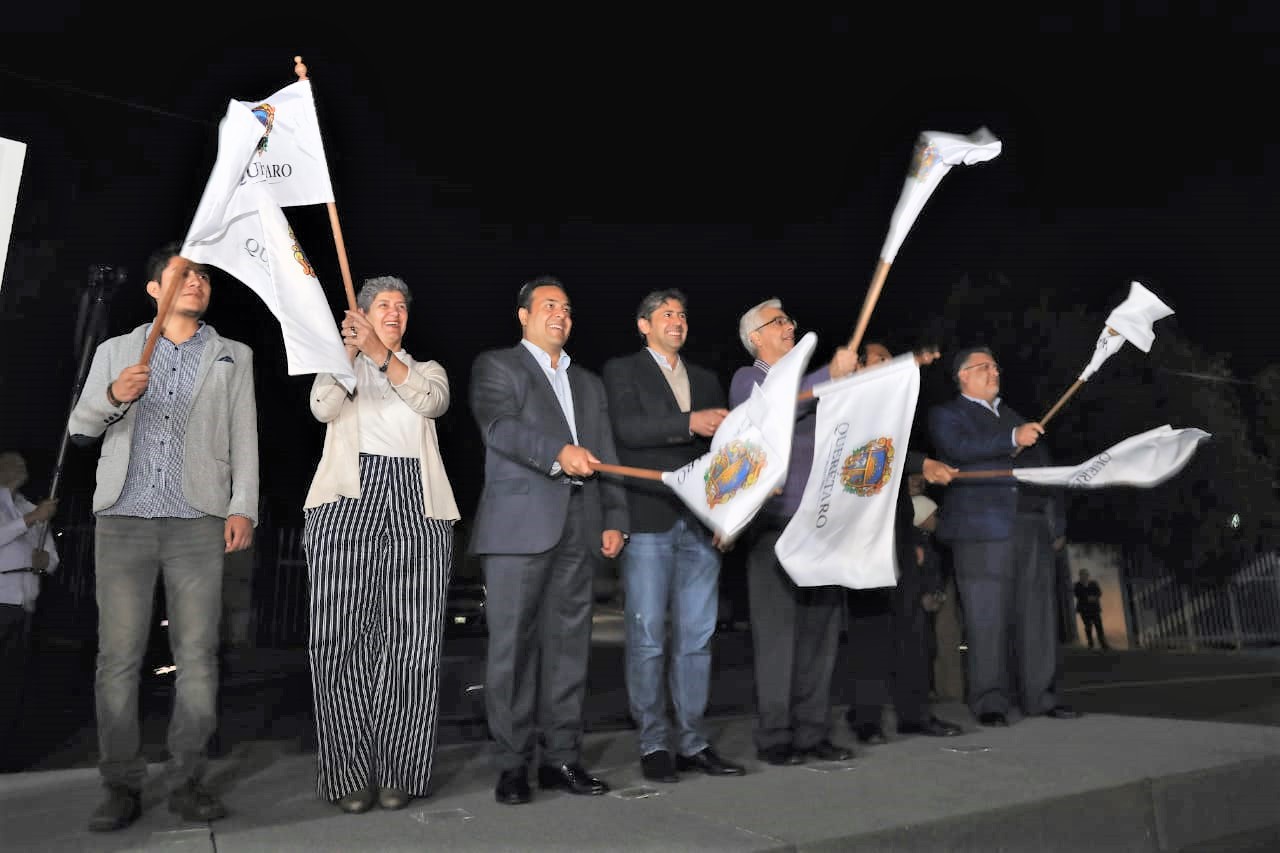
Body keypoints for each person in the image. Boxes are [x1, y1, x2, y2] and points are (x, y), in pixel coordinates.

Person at [67, 243, 258, 830]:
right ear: (155, 290)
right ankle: (120, 783)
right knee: (118, 658)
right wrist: (112, 397)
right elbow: (79, 426)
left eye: (202, 275)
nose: (196, 282)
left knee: (197, 657)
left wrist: (243, 505)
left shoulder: (233, 355)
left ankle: (187, 778)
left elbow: (244, 433)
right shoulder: (116, 351)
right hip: (124, 517)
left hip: (198, 520)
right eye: (182, 275)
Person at [301, 275, 460, 813]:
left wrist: (382, 354)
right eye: (382, 305)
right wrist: (351, 355)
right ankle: (348, 774)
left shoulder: (425, 369)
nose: (394, 311)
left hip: (418, 503)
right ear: (363, 313)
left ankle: (400, 770)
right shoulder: (338, 364)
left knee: (412, 643)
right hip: (346, 500)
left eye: (400, 306)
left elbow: (432, 402)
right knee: (338, 639)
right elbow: (322, 407)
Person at [469, 275, 629, 805]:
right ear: (523, 315)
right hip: (517, 530)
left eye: (567, 307)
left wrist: (614, 517)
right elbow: (500, 427)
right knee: (511, 652)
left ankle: (562, 757)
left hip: (579, 529)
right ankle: (512, 764)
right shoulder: (498, 366)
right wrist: (559, 451)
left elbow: (603, 452)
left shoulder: (588, 382)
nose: (560, 314)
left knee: (569, 652)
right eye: (548, 305)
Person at [601, 289, 744, 784]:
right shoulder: (622, 372)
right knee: (647, 639)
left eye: (682, 314)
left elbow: (726, 455)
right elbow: (626, 429)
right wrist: (688, 423)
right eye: (667, 314)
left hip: (700, 524)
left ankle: (692, 740)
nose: (677, 321)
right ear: (644, 325)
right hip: (648, 519)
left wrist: (727, 516)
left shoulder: (705, 378)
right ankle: (654, 742)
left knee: (698, 639)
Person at [729, 298, 858, 766]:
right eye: (778, 322)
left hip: (821, 522)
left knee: (820, 634)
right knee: (779, 633)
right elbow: (773, 410)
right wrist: (828, 375)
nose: (789, 327)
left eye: (789, 320)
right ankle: (776, 735)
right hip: (776, 524)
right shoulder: (751, 379)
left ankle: (813, 731)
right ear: (756, 337)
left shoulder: (812, 386)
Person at [926, 346, 1076, 727]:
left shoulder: (1017, 418)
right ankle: (989, 700)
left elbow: (1046, 473)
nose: (994, 372)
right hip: (981, 531)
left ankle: (1041, 697)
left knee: (1038, 616)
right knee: (985, 617)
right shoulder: (947, 415)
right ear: (963, 376)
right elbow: (958, 450)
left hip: (1030, 529)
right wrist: (1012, 438)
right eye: (984, 367)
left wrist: (1054, 524)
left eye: (996, 366)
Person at [843, 341, 963, 744]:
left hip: (896, 531)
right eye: (879, 360)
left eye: (889, 361)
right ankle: (866, 719)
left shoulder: (891, 411)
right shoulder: (844, 400)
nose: (887, 366)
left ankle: (915, 714)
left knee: (912, 625)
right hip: (859, 532)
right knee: (869, 629)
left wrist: (911, 537)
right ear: (858, 366)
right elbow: (867, 453)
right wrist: (921, 463)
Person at [0, 451, 59, 755]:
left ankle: (7, 745)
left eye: (23, 464)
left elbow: (52, 557)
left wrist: (45, 560)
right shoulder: (30, 512)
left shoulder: (31, 507)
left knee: (11, 680)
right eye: (12, 463)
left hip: (24, 602)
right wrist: (30, 520)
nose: (20, 467)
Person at [1074, 568, 1109, 650]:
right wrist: (1087, 598)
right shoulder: (1077, 585)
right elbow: (1077, 594)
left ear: (1088, 575)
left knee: (1099, 626)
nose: (1085, 576)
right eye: (1083, 575)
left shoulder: (1093, 583)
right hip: (1084, 609)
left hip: (1095, 609)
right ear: (1080, 576)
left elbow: (1099, 592)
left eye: (1086, 575)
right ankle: (1090, 643)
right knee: (1088, 626)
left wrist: (1094, 597)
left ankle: (1103, 643)